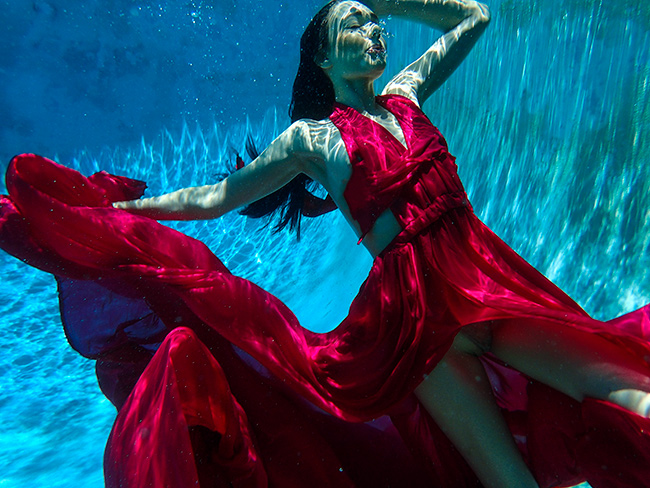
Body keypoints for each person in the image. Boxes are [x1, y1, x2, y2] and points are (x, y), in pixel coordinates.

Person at [2, 1, 650, 487]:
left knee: (627, 387)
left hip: (484, 280)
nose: (375, 33)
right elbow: (215, 197)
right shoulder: (314, 140)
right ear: (322, 56)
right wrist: (126, 209)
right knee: (510, 482)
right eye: (357, 23)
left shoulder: (405, 95)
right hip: (414, 325)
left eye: (378, 24)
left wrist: (393, 2)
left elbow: (474, 17)